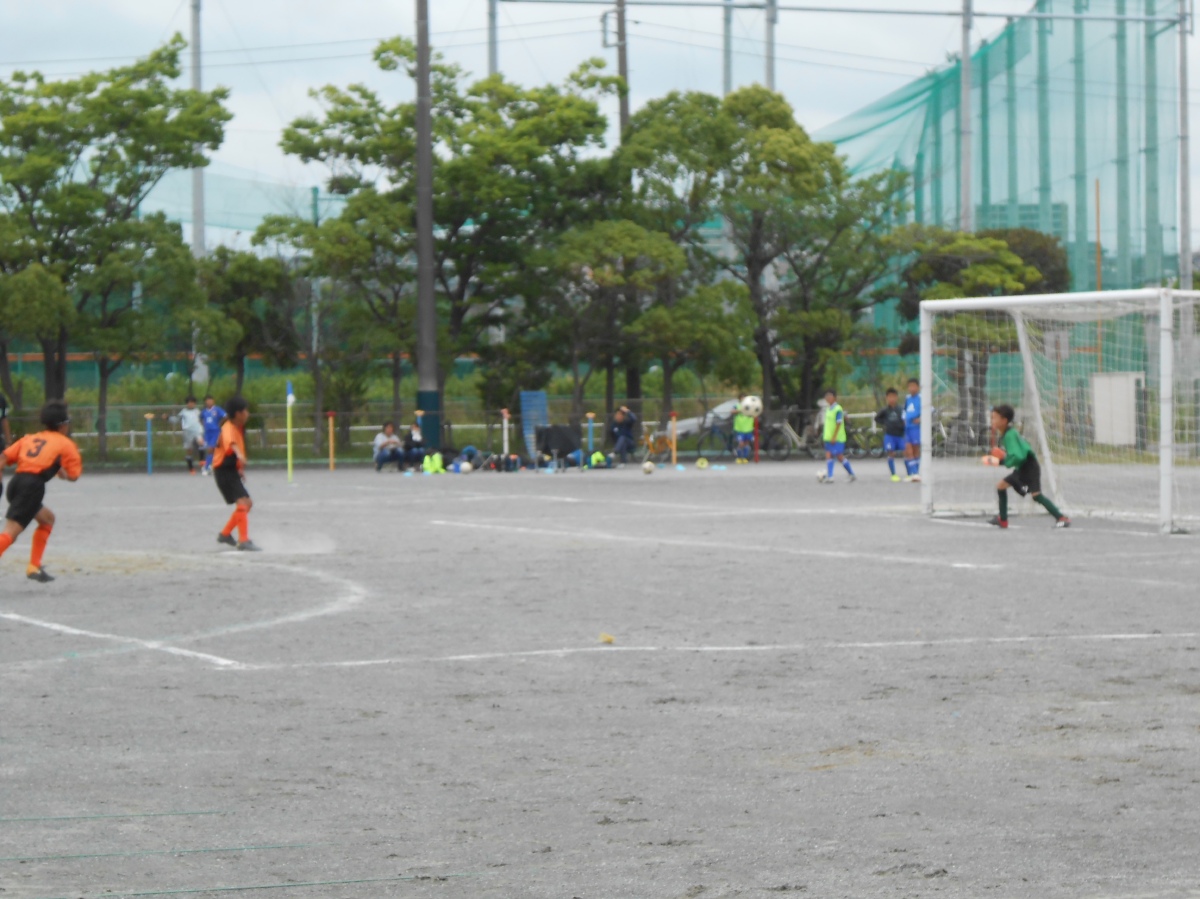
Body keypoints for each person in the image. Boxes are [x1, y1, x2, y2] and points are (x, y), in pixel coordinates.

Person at [0, 400, 82, 583]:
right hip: (32, 487)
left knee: (47, 519)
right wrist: (63, 474)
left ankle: (34, 567)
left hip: (16, 482)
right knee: (10, 533)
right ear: (62, 425)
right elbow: (74, 475)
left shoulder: (30, 438)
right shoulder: (65, 444)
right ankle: (33, 567)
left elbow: (4, 457)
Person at [984, 403, 1070, 530]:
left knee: (1035, 495)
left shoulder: (1009, 435)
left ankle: (1062, 518)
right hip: (1026, 466)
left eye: (994, 418)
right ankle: (1003, 519)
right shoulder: (1009, 433)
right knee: (1002, 486)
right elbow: (1017, 454)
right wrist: (1004, 457)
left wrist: (1001, 461)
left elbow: (1018, 457)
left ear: (1004, 420)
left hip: (1028, 467)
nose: (992, 420)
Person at [212, 396, 260, 552]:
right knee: (242, 503)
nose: (248, 413)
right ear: (238, 413)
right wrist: (239, 454)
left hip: (230, 471)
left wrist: (240, 469)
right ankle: (243, 540)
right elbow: (231, 444)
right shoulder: (228, 427)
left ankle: (225, 534)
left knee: (248, 503)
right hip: (223, 471)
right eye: (245, 410)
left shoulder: (237, 427)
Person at [817, 388, 855, 484]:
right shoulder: (828, 409)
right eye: (826, 396)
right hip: (828, 438)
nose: (828, 398)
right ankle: (830, 476)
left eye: (830, 396)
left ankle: (851, 474)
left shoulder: (837, 409)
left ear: (834, 397)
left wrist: (834, 436)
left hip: (837, 438)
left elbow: (839, 423)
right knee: (829, 455)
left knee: (839, 456)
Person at [875, 388, 907, 482]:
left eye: (893, 397)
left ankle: (910, 473)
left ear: (896, 397)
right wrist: (885, 423)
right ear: (887, 398)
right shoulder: (885, 410)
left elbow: (905, 419)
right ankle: (893, 474)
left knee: (906, 452)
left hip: (900, 435)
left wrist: (903, 426)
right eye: (889, 397)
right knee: (891, 453)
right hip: (889, 435)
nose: (891, 399)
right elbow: (877, 418)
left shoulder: (901, 409)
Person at [176, 396, 205, 474]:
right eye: (189, 403)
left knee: (201, 442)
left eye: (193, 403)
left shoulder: (197, 411)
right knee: (189, 450)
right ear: (187, 404)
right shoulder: (183, 412)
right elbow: (176, 419)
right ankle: (191, 468)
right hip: (187, 432)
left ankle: (202, 460)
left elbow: (202, 419)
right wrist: (167, 418)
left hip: (197, 430)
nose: (191, 404)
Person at [199, 395, 225, 476]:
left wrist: (220, 424)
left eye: (210, 400)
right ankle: (211, 465)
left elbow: (225, 416)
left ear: (213, 401)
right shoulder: (204, 411)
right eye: (207, 401)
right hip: (207, 432)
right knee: (210, 450)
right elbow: (200, 418)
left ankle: (206, 467)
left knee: (211, 448)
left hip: (215, 432)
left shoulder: (217, 409)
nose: (209, 402)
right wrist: (204, 425)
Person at [903, 378, 921, 482]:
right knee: (908, 450)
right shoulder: (907, 398)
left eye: (914, 386)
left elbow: (931, 410)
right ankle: (913, 473)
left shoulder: (921, 398)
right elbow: (904, 411)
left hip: (916, 428)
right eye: (910, 386)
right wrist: (903, 420)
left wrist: (920, 419)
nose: (912, 388)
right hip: (907, 428)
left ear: (918, 387)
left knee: (915, 450)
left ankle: (916, 473)